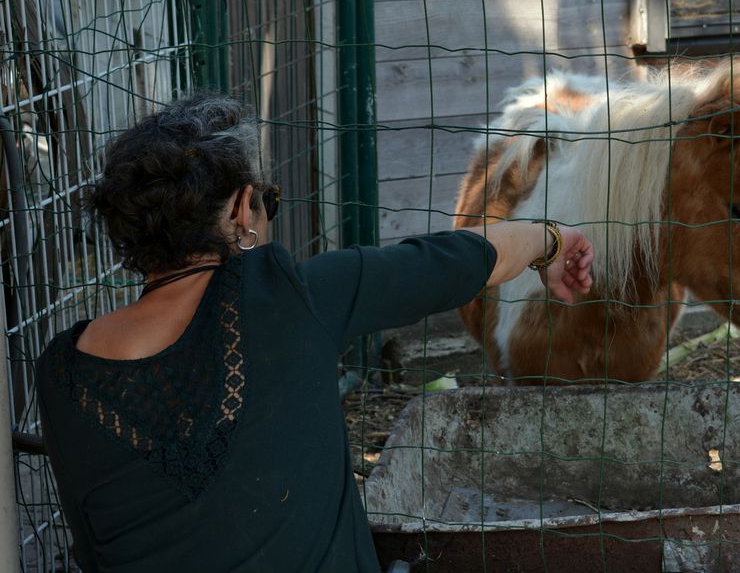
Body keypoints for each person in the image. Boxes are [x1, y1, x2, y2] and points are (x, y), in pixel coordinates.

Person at [35, 95, 594, 572]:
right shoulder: (292, 297)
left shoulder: (63, 370)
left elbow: (91, 550)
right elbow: (455, 261)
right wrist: (551, 240)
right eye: (266, 200)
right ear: (239, 211)